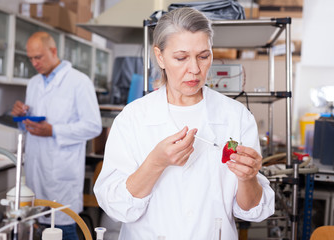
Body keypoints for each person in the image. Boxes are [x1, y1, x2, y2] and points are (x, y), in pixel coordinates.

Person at [94, 7, 274, 239]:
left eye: (203, 56)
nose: (195, 69)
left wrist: (248, 178)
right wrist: (156, 163)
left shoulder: (235, 117)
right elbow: (115, 206)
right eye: (181, 58)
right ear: (160, 57)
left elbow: (251, 211)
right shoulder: (133, 118)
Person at [11, 32, 102, 240]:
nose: (34, 63)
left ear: (53, 51)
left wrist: (54, 130)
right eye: (30, 58)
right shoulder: (33, 83)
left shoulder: (79, 82)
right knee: (40, 230)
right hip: (36, 171)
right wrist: (22, 116)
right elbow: (32, 126)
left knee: (62, 230)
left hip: (61, 176)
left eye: (38, 57)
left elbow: (93, 126)